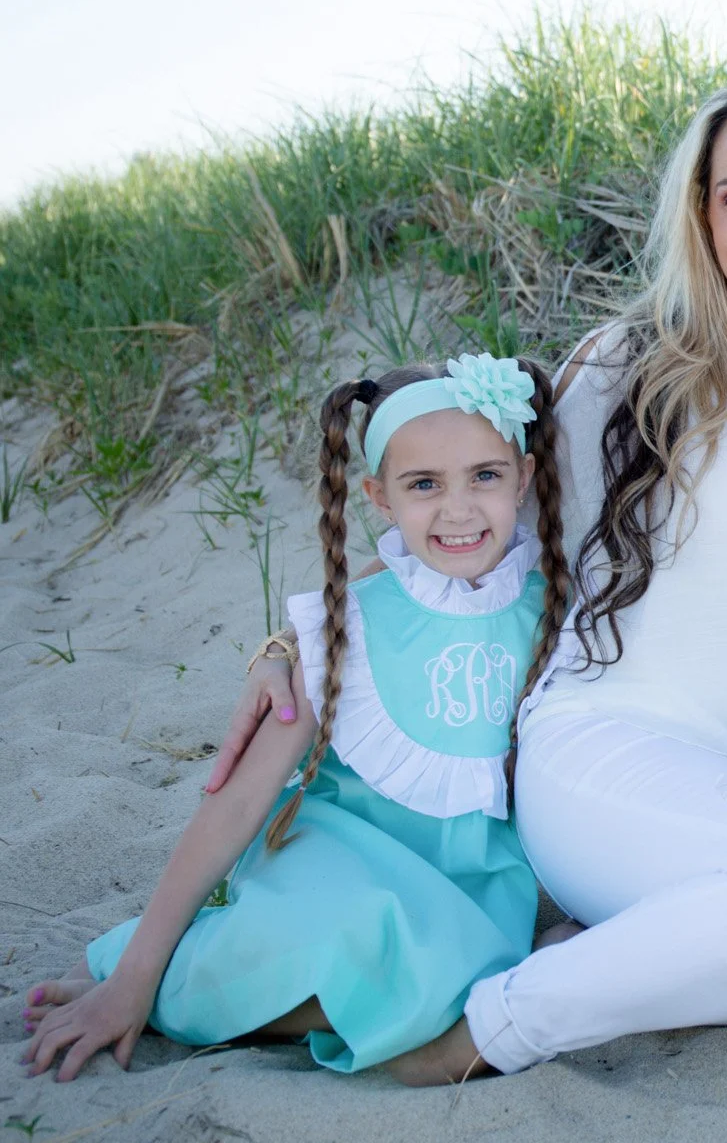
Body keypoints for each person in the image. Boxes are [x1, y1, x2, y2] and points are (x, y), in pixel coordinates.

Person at [210, 71, 727, 1076]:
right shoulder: (634, 370)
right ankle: (487, 1030)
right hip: (610, 761)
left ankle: (629, 964)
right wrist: (291, 643)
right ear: (700, 217)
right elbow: (469, 533)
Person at [21, 354, 571, 1084]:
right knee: (343, 929)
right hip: (338, 860)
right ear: (378, 496)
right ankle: (146, 980)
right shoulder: (352, 629)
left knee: (447, 975)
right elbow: (238, 802)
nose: (459, 509)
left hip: (470, 890)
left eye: (485, 475)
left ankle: (183, 982)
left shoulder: (558, 608)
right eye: (424, 484)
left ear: (524, 478)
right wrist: (135, 976)